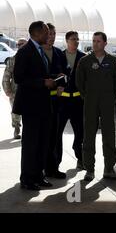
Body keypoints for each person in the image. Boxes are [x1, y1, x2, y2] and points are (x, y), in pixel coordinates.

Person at [13, 21, 56, 190]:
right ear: (37, 33)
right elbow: (19, 78)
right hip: (31, 107)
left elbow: (40, 74)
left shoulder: (40, 51)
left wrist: (54, 77)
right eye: (46, 33)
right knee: (31, 144)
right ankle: (27, 179)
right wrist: (42, 82)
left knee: (42, 143)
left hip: (43, 106)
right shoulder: (25, 52)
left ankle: (39, 176)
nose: (49, 35)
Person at [76, 32, 116, 181]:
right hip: (90, 102)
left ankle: (109, 168)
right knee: (89, 135)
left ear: (105, 43)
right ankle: (89, 169)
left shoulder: (112, 61)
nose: (95, 43)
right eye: (93, 41)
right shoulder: (85, 61)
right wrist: (87, 96)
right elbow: (79, 82)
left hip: (107, 103)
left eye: (98, 41)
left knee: (109, 135)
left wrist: (109, 97)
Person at [55, 31, 85, 171]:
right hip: (62, 102)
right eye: (73, 39)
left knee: (80, 132)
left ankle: (80, 157)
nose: (76, 41)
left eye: (77, 39)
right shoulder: (59, 56)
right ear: (67, 41)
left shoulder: (83, 58)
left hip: (77, 102)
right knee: (57, 132)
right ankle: (56, 162)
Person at [42, 23, 67, 179]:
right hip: (40, 100)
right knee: (41, 137)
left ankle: (53, 168)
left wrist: (62, 85)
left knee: (55, 136)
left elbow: (65, 73)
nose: (52, 36)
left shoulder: (58, 53)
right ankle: (40, 169)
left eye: (54, 33)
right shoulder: (37, 52)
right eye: (49, 33)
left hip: (56, 101)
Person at [2, 38, 27, 139]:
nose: (20, 46)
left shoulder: (31, 59)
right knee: (15, 111)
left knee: (28, 112)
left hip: (29, 91)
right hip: (15, 91)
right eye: (18, 44)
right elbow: (6, 77)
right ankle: (16, 128)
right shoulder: (12, 60)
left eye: (22, 44)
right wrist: (7, 90)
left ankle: (27, 130)